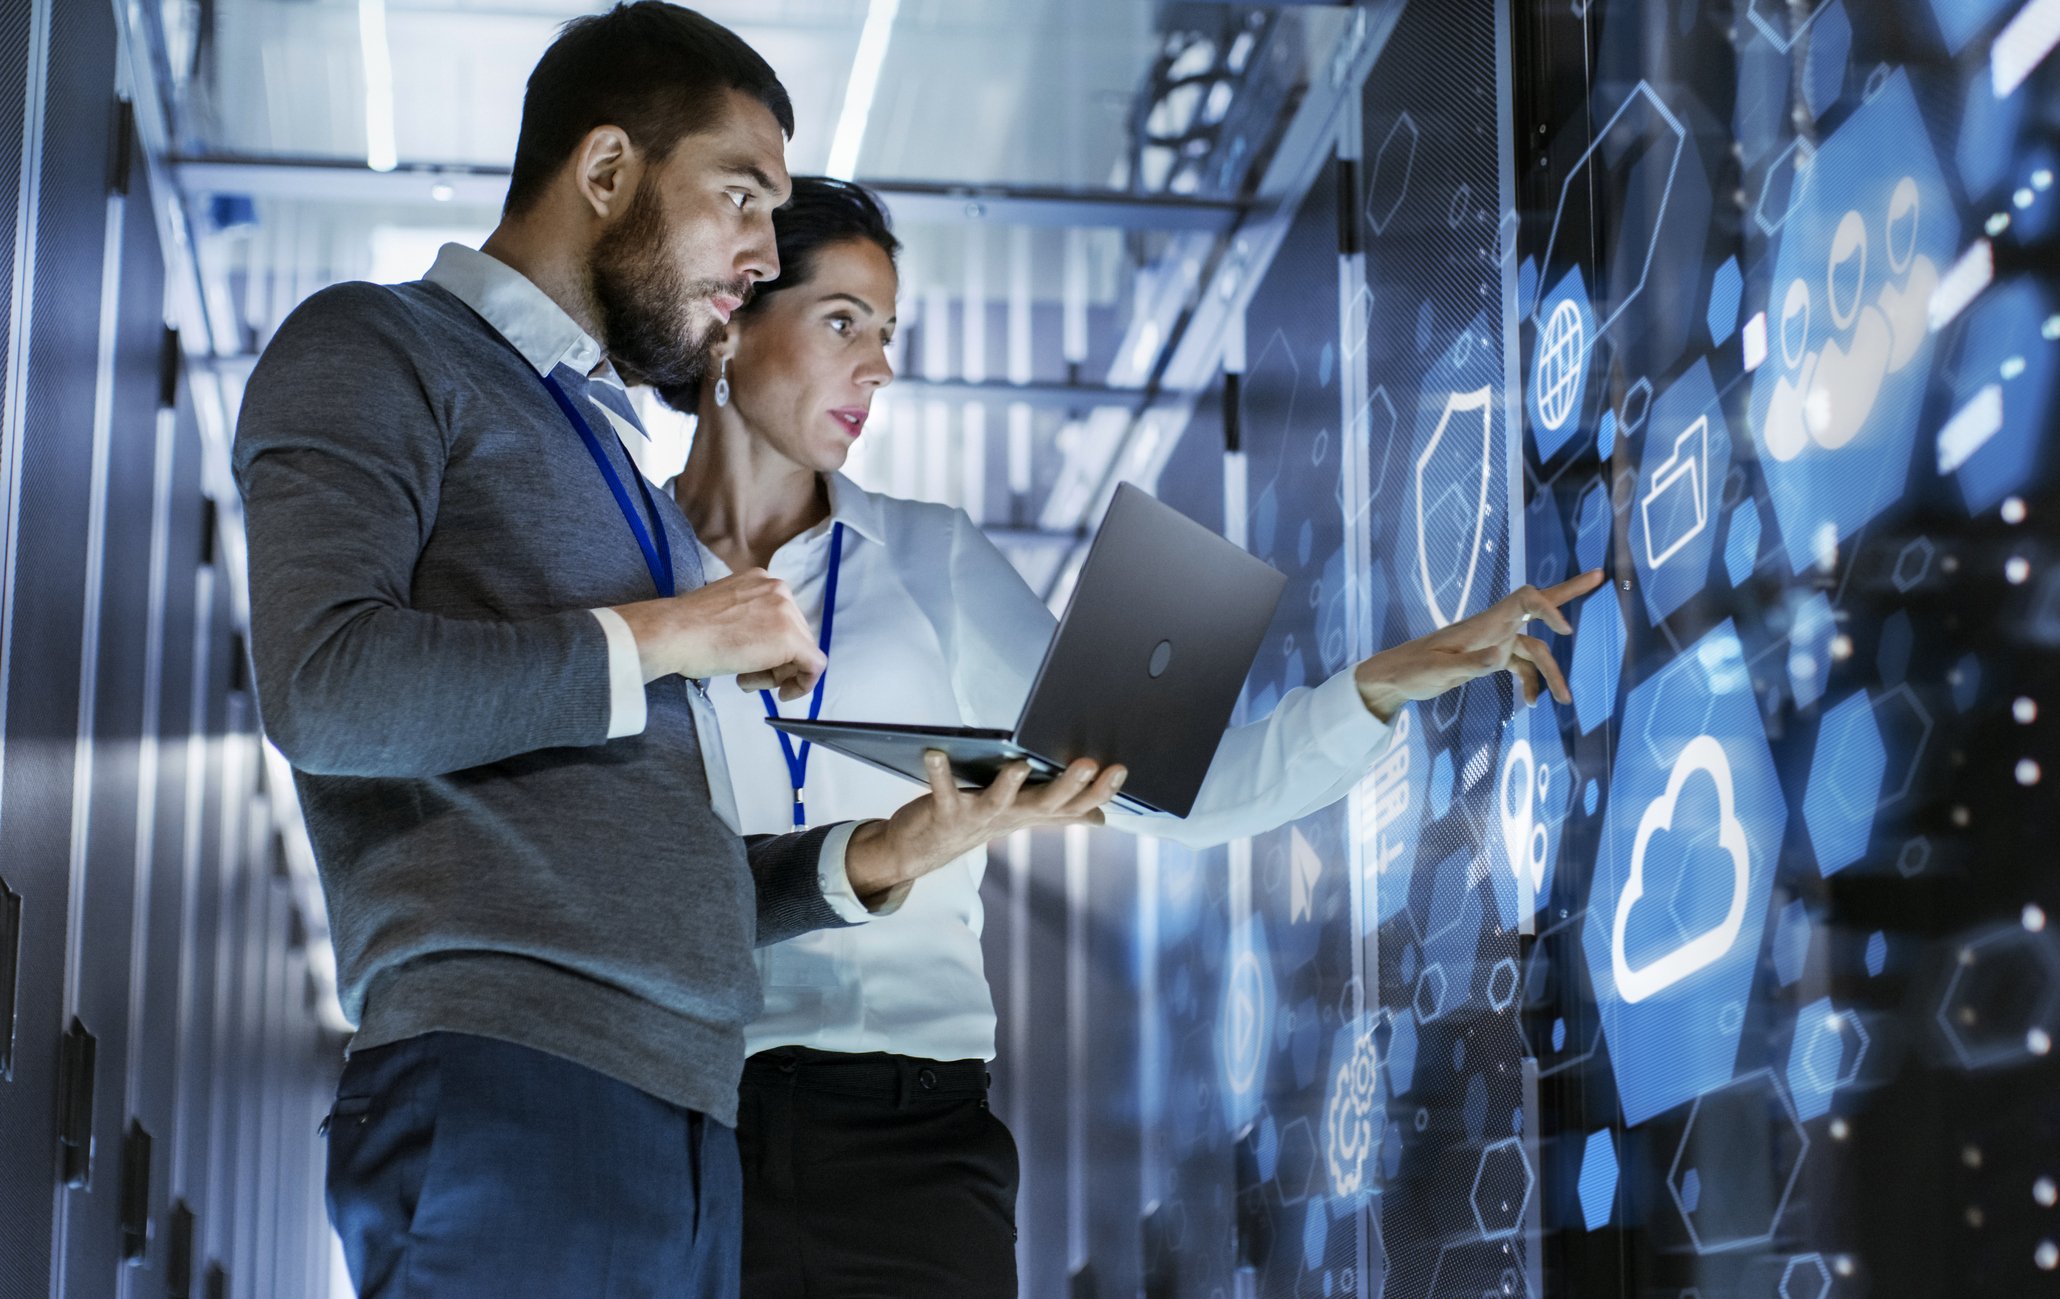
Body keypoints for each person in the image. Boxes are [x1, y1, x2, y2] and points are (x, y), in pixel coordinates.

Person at [232, 10, 1121, 1297]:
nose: (759, 254)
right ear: (605, 174)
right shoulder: (377, 346)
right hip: (514, 1081)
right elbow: (327, 688)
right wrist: (676, 631)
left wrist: (882, 858)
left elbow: (655, 859)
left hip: (687, 1118)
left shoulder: (617, 475)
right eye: (740, 198)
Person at [657, 176, 1606, 1297]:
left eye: (889, 334)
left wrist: (1384, 684)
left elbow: (1176, 794)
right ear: (733, 319)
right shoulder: (623, 574)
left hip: (909, 1134)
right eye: (842, 322)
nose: (879, 367)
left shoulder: (931, 560)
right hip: (681, 1119)